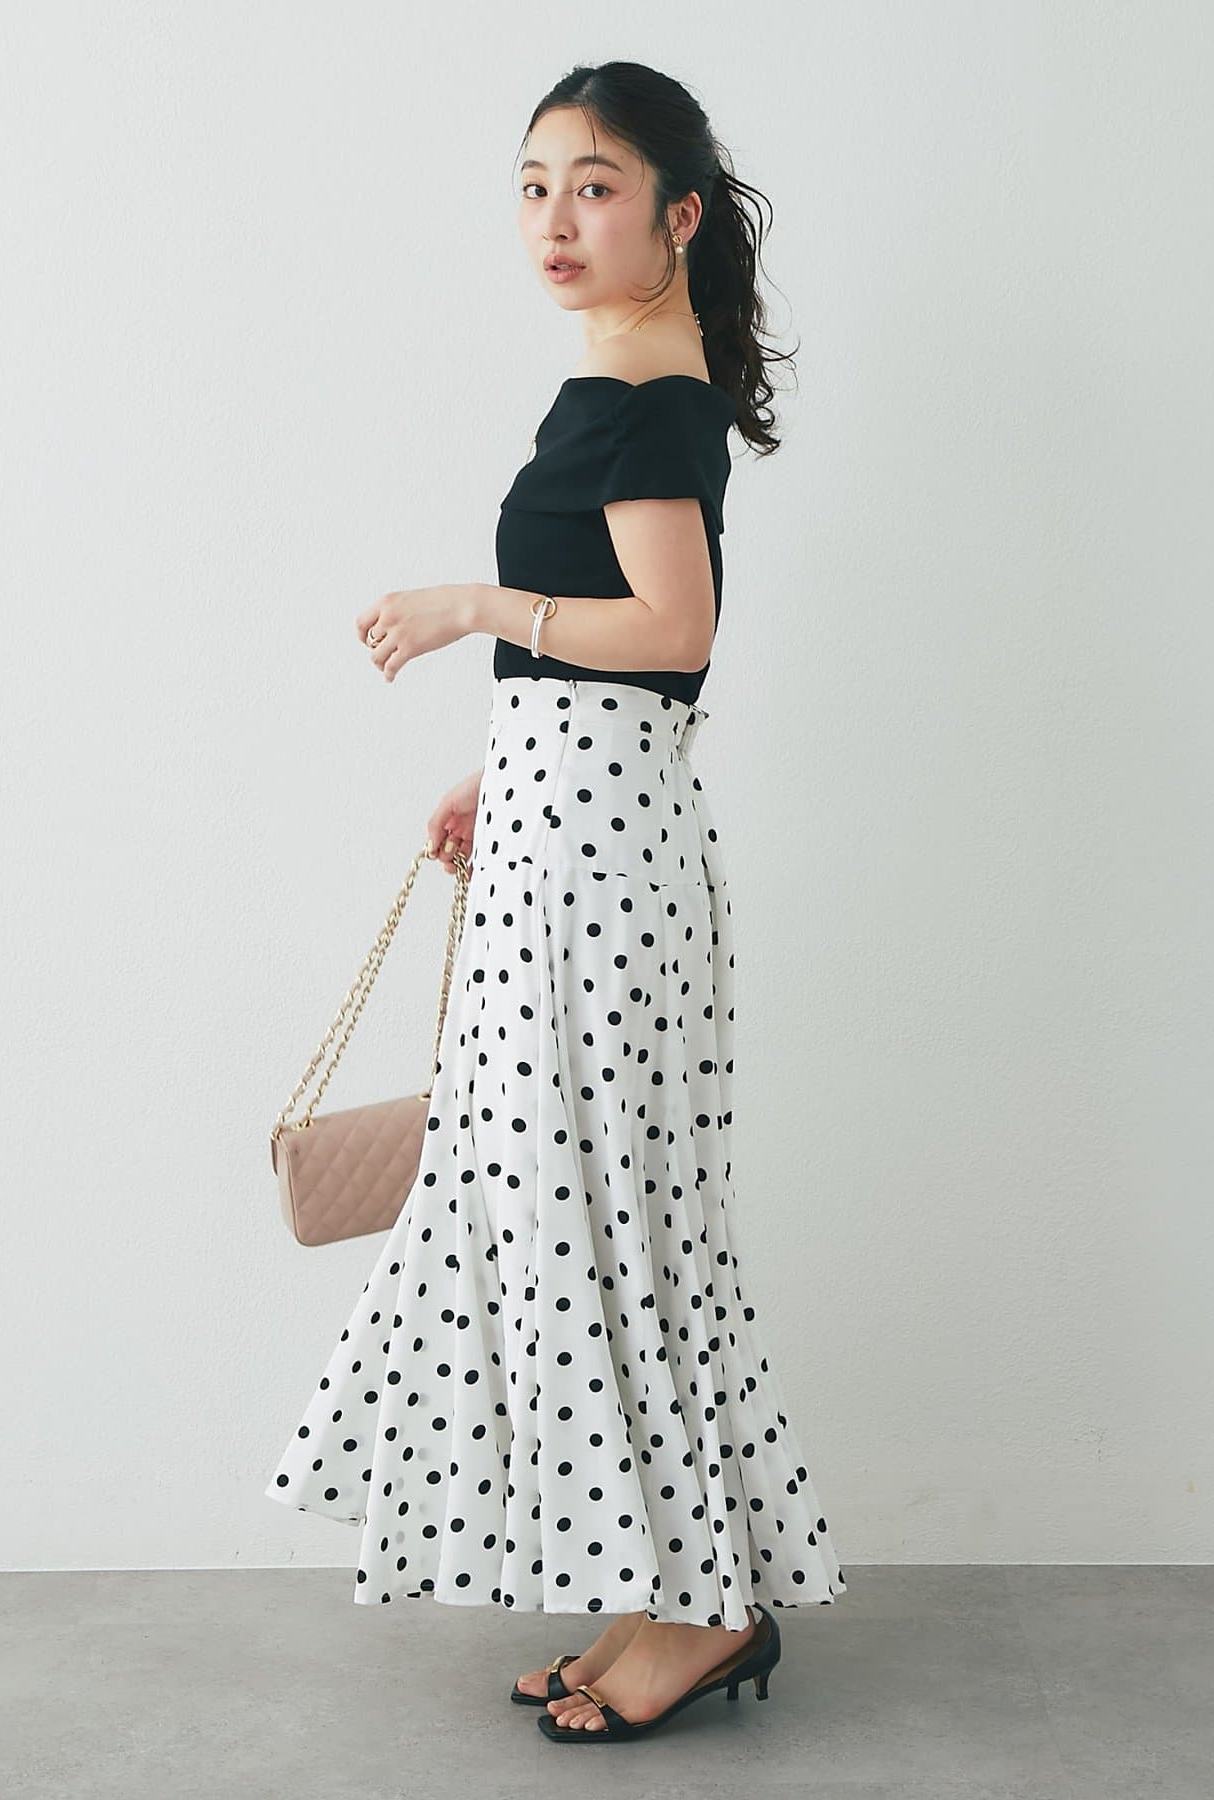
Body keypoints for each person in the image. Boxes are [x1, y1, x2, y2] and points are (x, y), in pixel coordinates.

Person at [265, 61, 847, 1744]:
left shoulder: (643, 397)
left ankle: (704, 1609)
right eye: (534, 186)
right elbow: (616, 657)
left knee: (604, 1211)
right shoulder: (623, 379)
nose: (555, 219)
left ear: (678, 214)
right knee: (587, 1207)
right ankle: (670, 1588)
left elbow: (675, 631)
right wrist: (499, 766)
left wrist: (473, 606)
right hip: (573, 828)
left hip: (602, 864)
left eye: (595, 186)